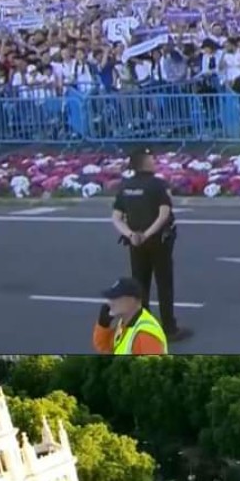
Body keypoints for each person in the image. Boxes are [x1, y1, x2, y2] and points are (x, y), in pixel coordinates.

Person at [111, 150, 190, 342]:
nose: (154, 162)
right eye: (151, 159)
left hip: (135, 242)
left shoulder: (125, 186)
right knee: (164, 284)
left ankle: (143, 328)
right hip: (158, 241)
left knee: (140, 285)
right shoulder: (157, 185)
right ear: (144, 163)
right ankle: (169, 328)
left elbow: (116, 218)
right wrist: (147, 234)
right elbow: (164, 214)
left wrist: (131, 234)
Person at [92, 277, 168, 355]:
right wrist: (103, 325)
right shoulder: (125, 323)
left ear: (131, 300)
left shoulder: (144, 337)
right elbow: (106, 349)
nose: (109, 302)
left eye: (115, 297)